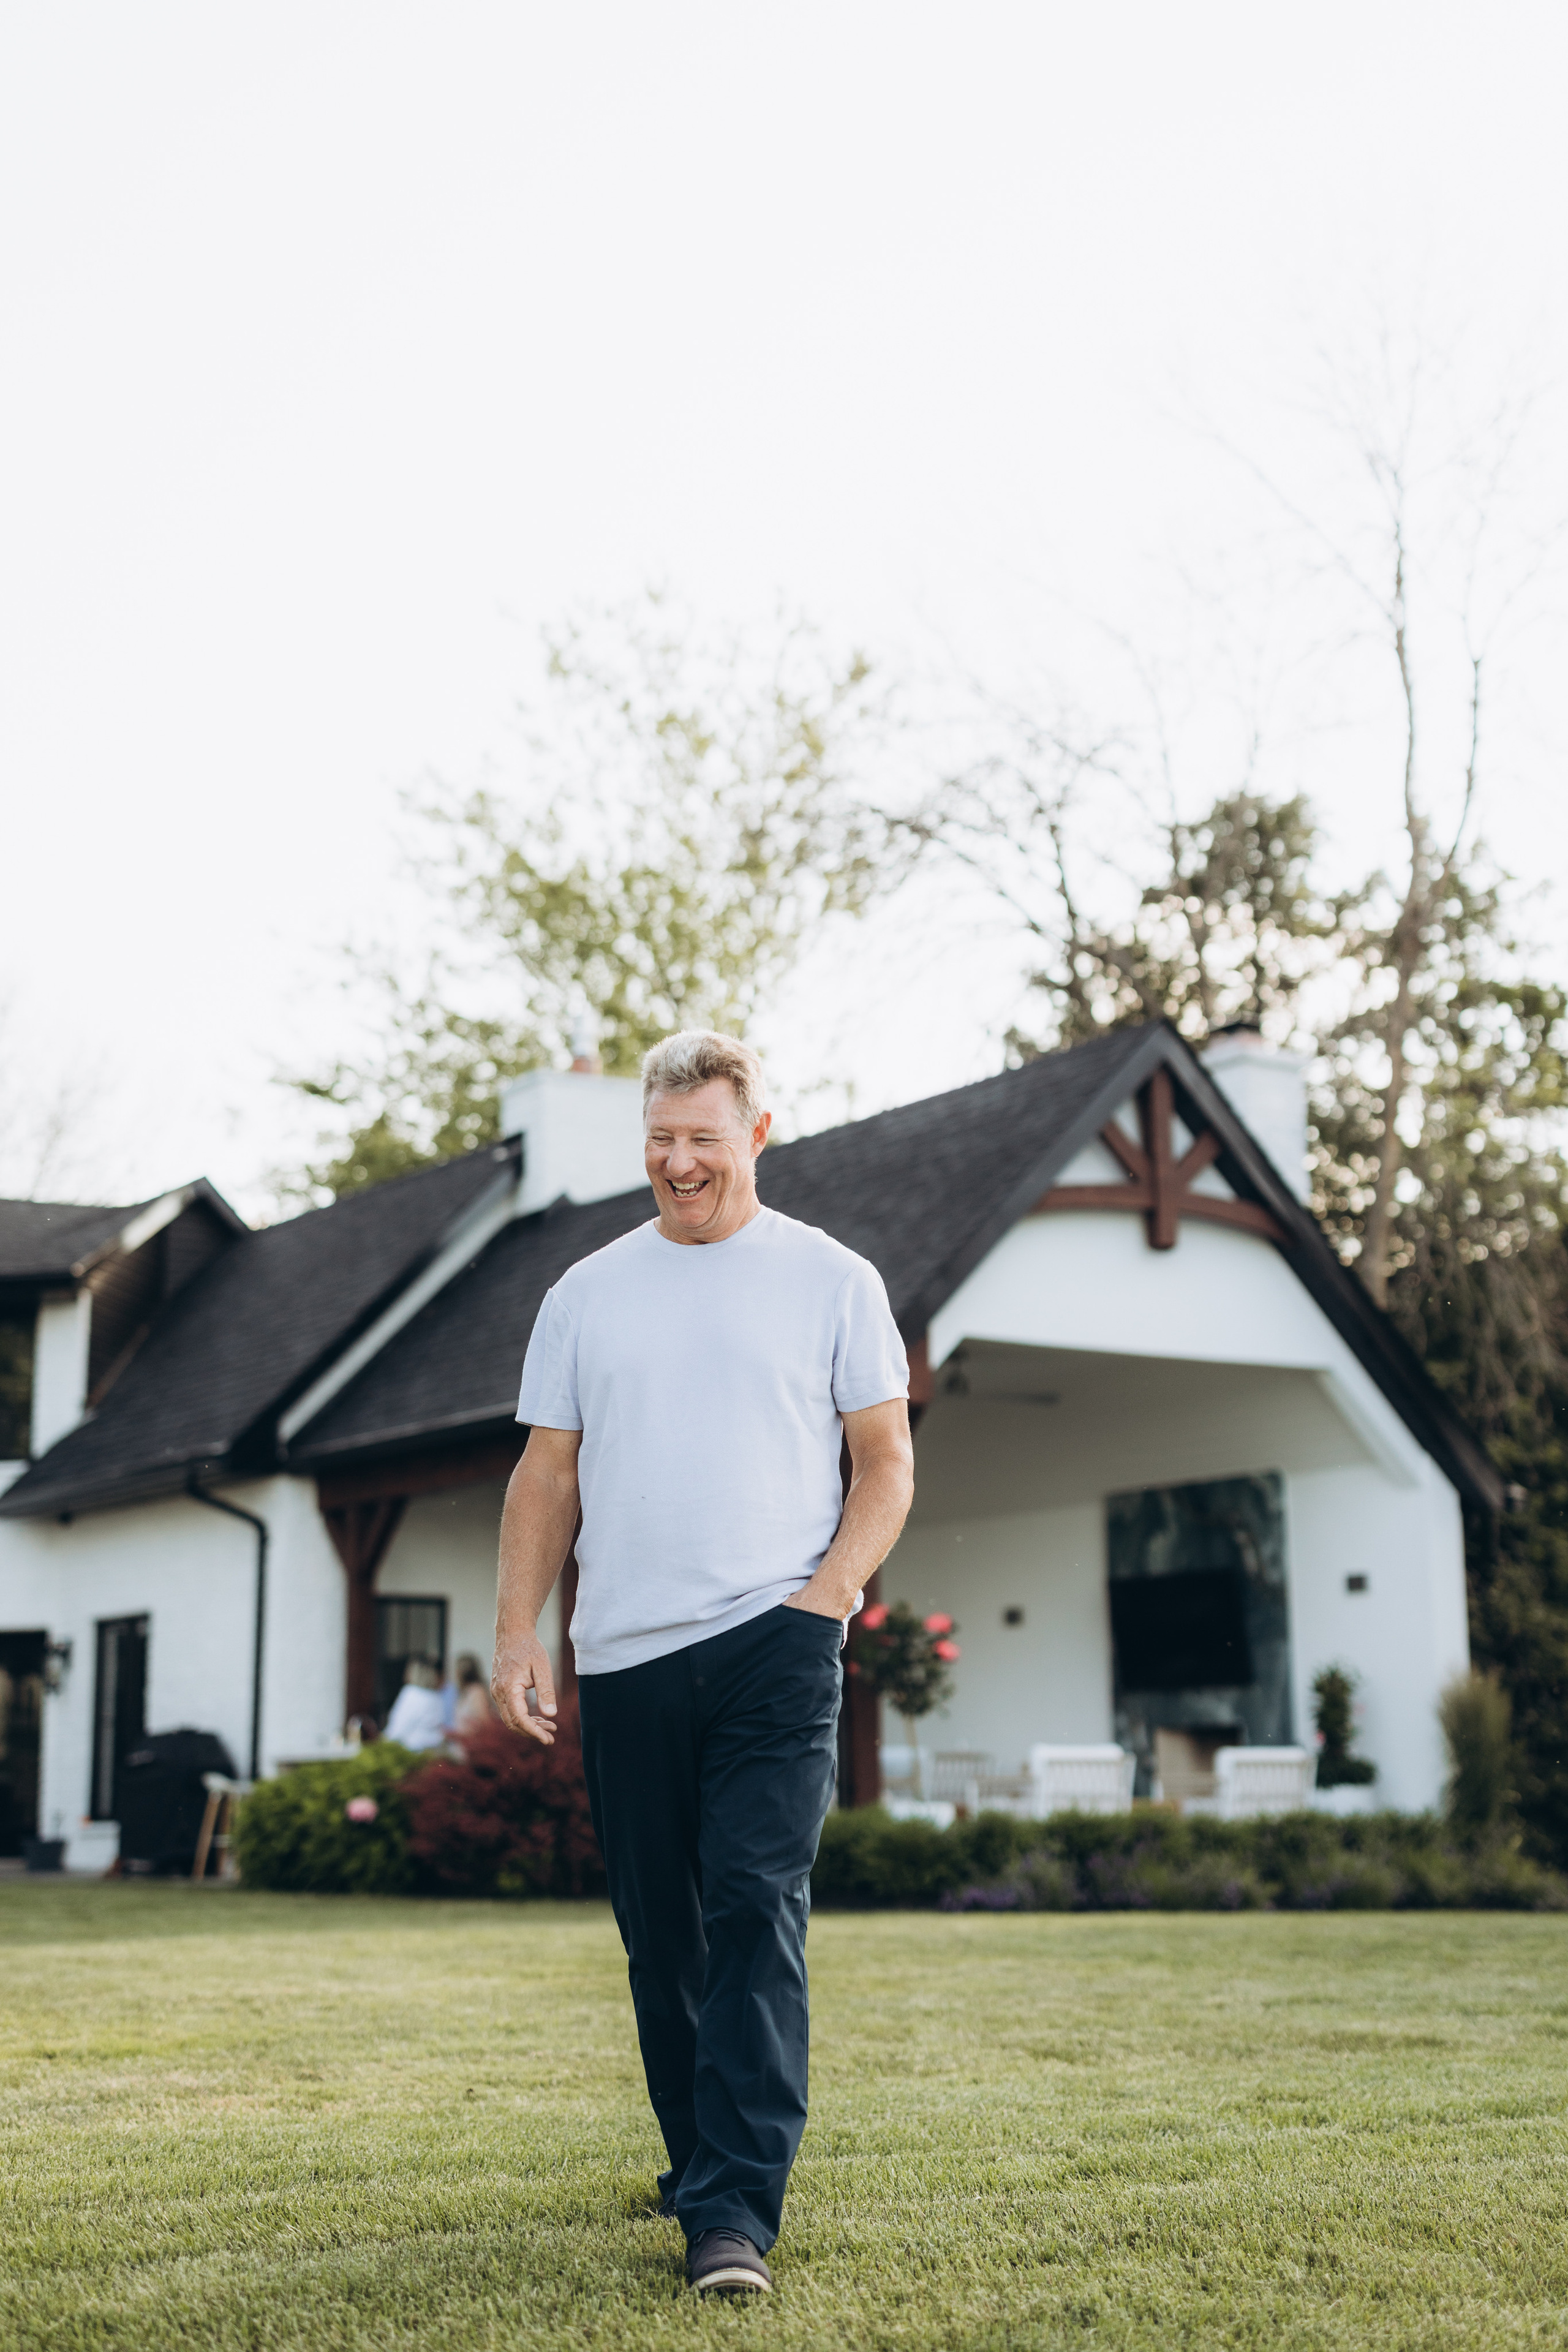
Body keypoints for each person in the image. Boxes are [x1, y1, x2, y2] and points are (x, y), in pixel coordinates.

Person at [492, 1029, 914, 2297]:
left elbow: (884, 1464)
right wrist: (519, 1630)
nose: (679, 1164)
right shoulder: (583, 1294)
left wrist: (820, 1604)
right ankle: (696, 2164)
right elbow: (546, 1476)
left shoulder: (831, 1281)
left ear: (757, 1136)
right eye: (660, 1142)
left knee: (752, 1908)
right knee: (660, 1936)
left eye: (703, 1141)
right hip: (623, 1655)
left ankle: (731, 2209)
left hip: (772, 1647)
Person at [382, 1657, 447, 1752]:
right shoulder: (436, 1696)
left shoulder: (412, 1693)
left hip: (412, 1751)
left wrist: (383, 1744)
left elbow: (399, 1728)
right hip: (433, 1750)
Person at [450, 1651, 496, 1737]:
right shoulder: (464, 1692)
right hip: (463, 1743)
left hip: (473, 1743)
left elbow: (485, 1722)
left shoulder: (477, 1692)